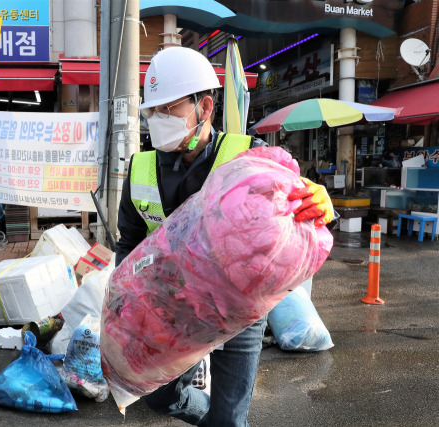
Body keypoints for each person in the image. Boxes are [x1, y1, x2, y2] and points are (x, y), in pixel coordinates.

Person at [115, 47, 333, 427]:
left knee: (230, 420)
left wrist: (320, 203)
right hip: (172, 310)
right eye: (153, 112)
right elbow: (129, 242)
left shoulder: (249, 157)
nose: (158, 120)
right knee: (157, 396)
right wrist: (122, 299)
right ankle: (206, 417)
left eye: (169, 110)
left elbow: (295, 205)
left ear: (204, 107)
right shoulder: (140, 167)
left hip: (240, 312)